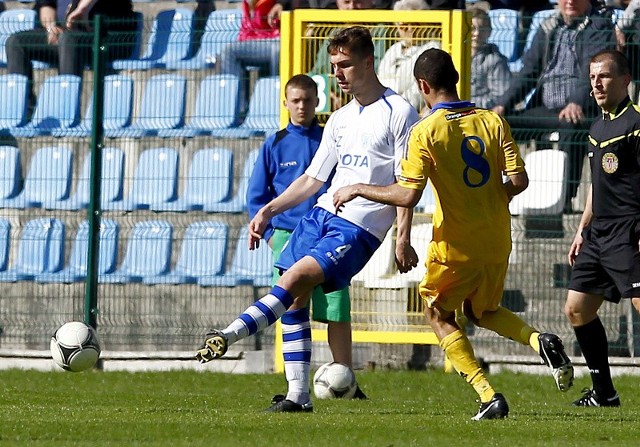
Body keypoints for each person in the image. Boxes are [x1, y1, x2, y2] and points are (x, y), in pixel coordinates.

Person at [332, 48, 575, 420]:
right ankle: (538, 340)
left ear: (422, 86)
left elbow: (408, 194)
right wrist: (492, 200)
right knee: (482, 310)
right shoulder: (492, 122)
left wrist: (358, 188)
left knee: (437, 312)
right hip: (497, 238)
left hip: (457, 244)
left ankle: (487, 394)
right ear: (457, 79)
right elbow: (520, 181)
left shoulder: (425, 131)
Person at [196, 26, 420, 413]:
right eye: (334, 65)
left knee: (293, 279)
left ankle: (228, 334)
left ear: (368, 62)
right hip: (322, 215)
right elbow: (313, 180)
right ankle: (298, 396)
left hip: (360, 227)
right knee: (294, 299)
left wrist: (402, 237)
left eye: (346, 65)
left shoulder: (399, 112)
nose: (338, 73)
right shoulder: (340, 119)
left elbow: (407, 182)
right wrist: (269, 210)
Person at [245, 73, 366, 400]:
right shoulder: (275, 143)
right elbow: (256, 197)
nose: (301, 106)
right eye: (295, 101)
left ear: (317, 102)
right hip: (288, 236)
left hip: (329, 232)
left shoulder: (331, 139)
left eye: (307, 100)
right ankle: (294, 386)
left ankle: (346, 380)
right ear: (285, 103)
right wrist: (272, 236)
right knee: (292, 306)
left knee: (337, 310)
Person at [565, 49, 640, 407]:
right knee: (577, 308)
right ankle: (604, 393)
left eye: (605, 76)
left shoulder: (636, 124)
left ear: (625, 80)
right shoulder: (597, 126)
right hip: (599, 235)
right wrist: (582, 228)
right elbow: (598, 184)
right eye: (593, 76)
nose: (596, 83)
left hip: (629, 232)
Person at [492, 0, 616, 212]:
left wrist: (576, 101)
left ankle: (563, 201)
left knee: (571, 126)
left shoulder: (599, 27)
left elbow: (592, 71)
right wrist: (502, 105)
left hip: (582, 108)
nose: (570, 2)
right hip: (546, 107)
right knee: (499, 126)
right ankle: (497, 196)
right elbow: (527, 71)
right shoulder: (549, 27)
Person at [6, 0, 137, 100]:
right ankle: (23, 110)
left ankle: (66, 110)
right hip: (66, 38)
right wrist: (51, 27)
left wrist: (83, 8)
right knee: (16, 42)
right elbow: (46, 5)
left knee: (69, 41)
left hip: (106, 42)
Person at [377, 0, 440, 113]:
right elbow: (381, 78)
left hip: (411, 112)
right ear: (396, 26)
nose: (410, 29)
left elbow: (420, 90)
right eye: (404, 26)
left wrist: (397, 107)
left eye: (416, 24)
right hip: (383, 109)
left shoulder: (432, 48)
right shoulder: (393, 49)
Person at [218, 0, 280, 115]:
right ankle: (237, 110)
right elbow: (245, 31)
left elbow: (275, 28)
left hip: (274, 41)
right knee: (228, 50)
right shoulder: (246, 4)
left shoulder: (272, 3)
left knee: (277, 49)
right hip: (254, 43)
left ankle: (273, 104)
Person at [469, 8, 511, 110]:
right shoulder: (452, 55)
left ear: (489, 31)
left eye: (482, 29)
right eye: (472, 28)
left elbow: (500, 96)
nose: (477, 33)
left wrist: (467, 103)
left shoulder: (496, 60)